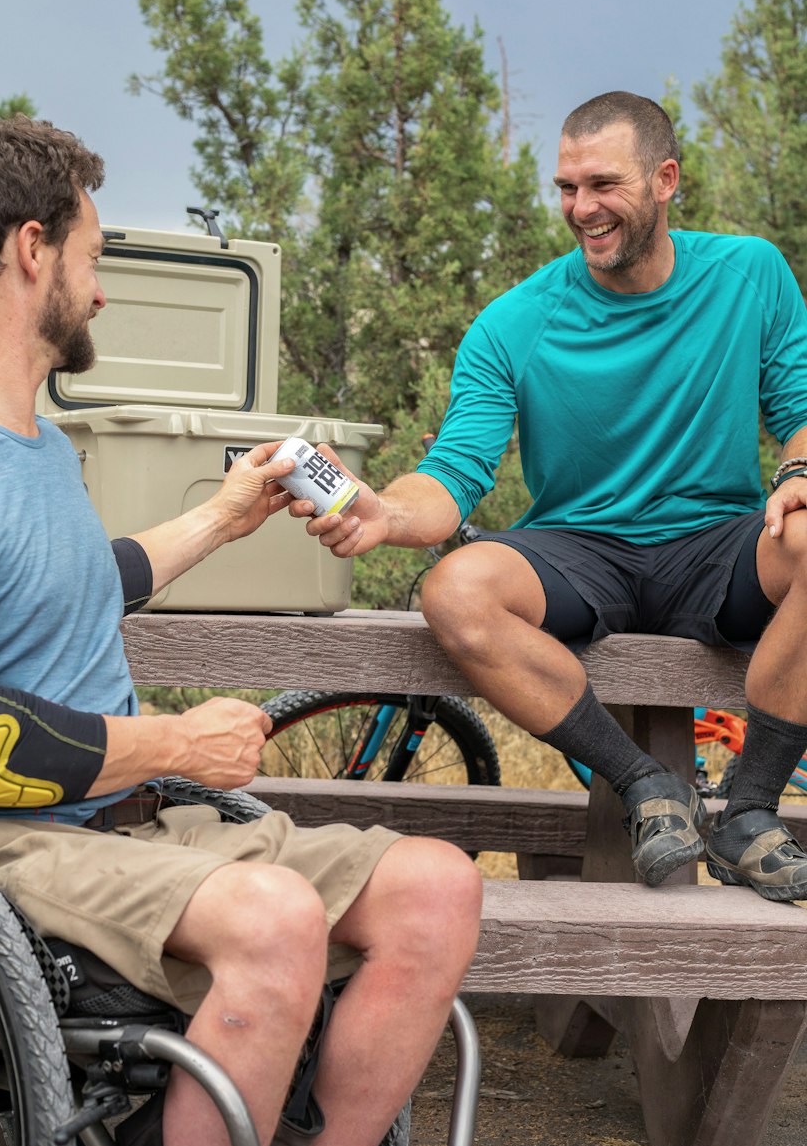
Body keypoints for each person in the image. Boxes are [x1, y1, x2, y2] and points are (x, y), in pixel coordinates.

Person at [0, 112, 482, 1146]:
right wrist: (171, 740)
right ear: (34, 251)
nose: (101, 290)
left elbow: (82, 581)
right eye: (93, 254)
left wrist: (224, 517)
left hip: (122, 830)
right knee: (274, 926)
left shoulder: (28, 442)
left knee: (436, 890)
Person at [297, 90, 807, 904]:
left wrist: (800, 475)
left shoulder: (749, 275)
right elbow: (456, 470)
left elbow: (802, 415)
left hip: (717, 543)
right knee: (455, 589)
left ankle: (747, 811)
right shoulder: (515, 321)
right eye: (567, 188)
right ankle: (646, 785)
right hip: (580, 550)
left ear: (666, 178)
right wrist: (386, 512)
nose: (582, 208)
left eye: (603, 184)